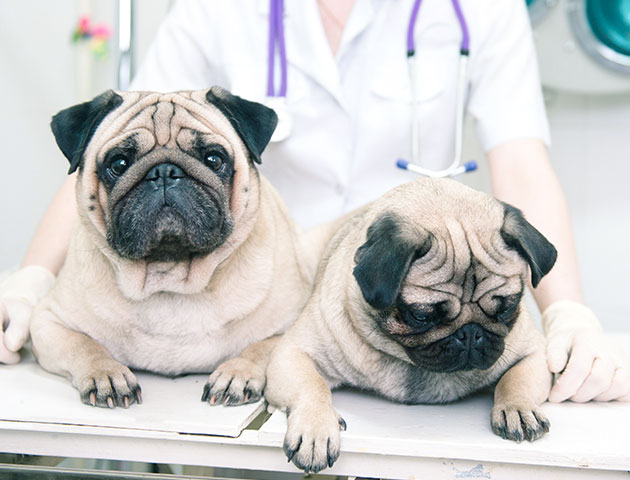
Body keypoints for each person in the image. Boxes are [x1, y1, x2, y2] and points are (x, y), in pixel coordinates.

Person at [1, 0, 628, 404]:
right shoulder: (212, 10)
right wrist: (33, 277)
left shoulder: (482, 10)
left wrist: (570, 310)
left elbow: (520, 163)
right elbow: (118, 155)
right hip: (269, 322)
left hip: (417, 316)